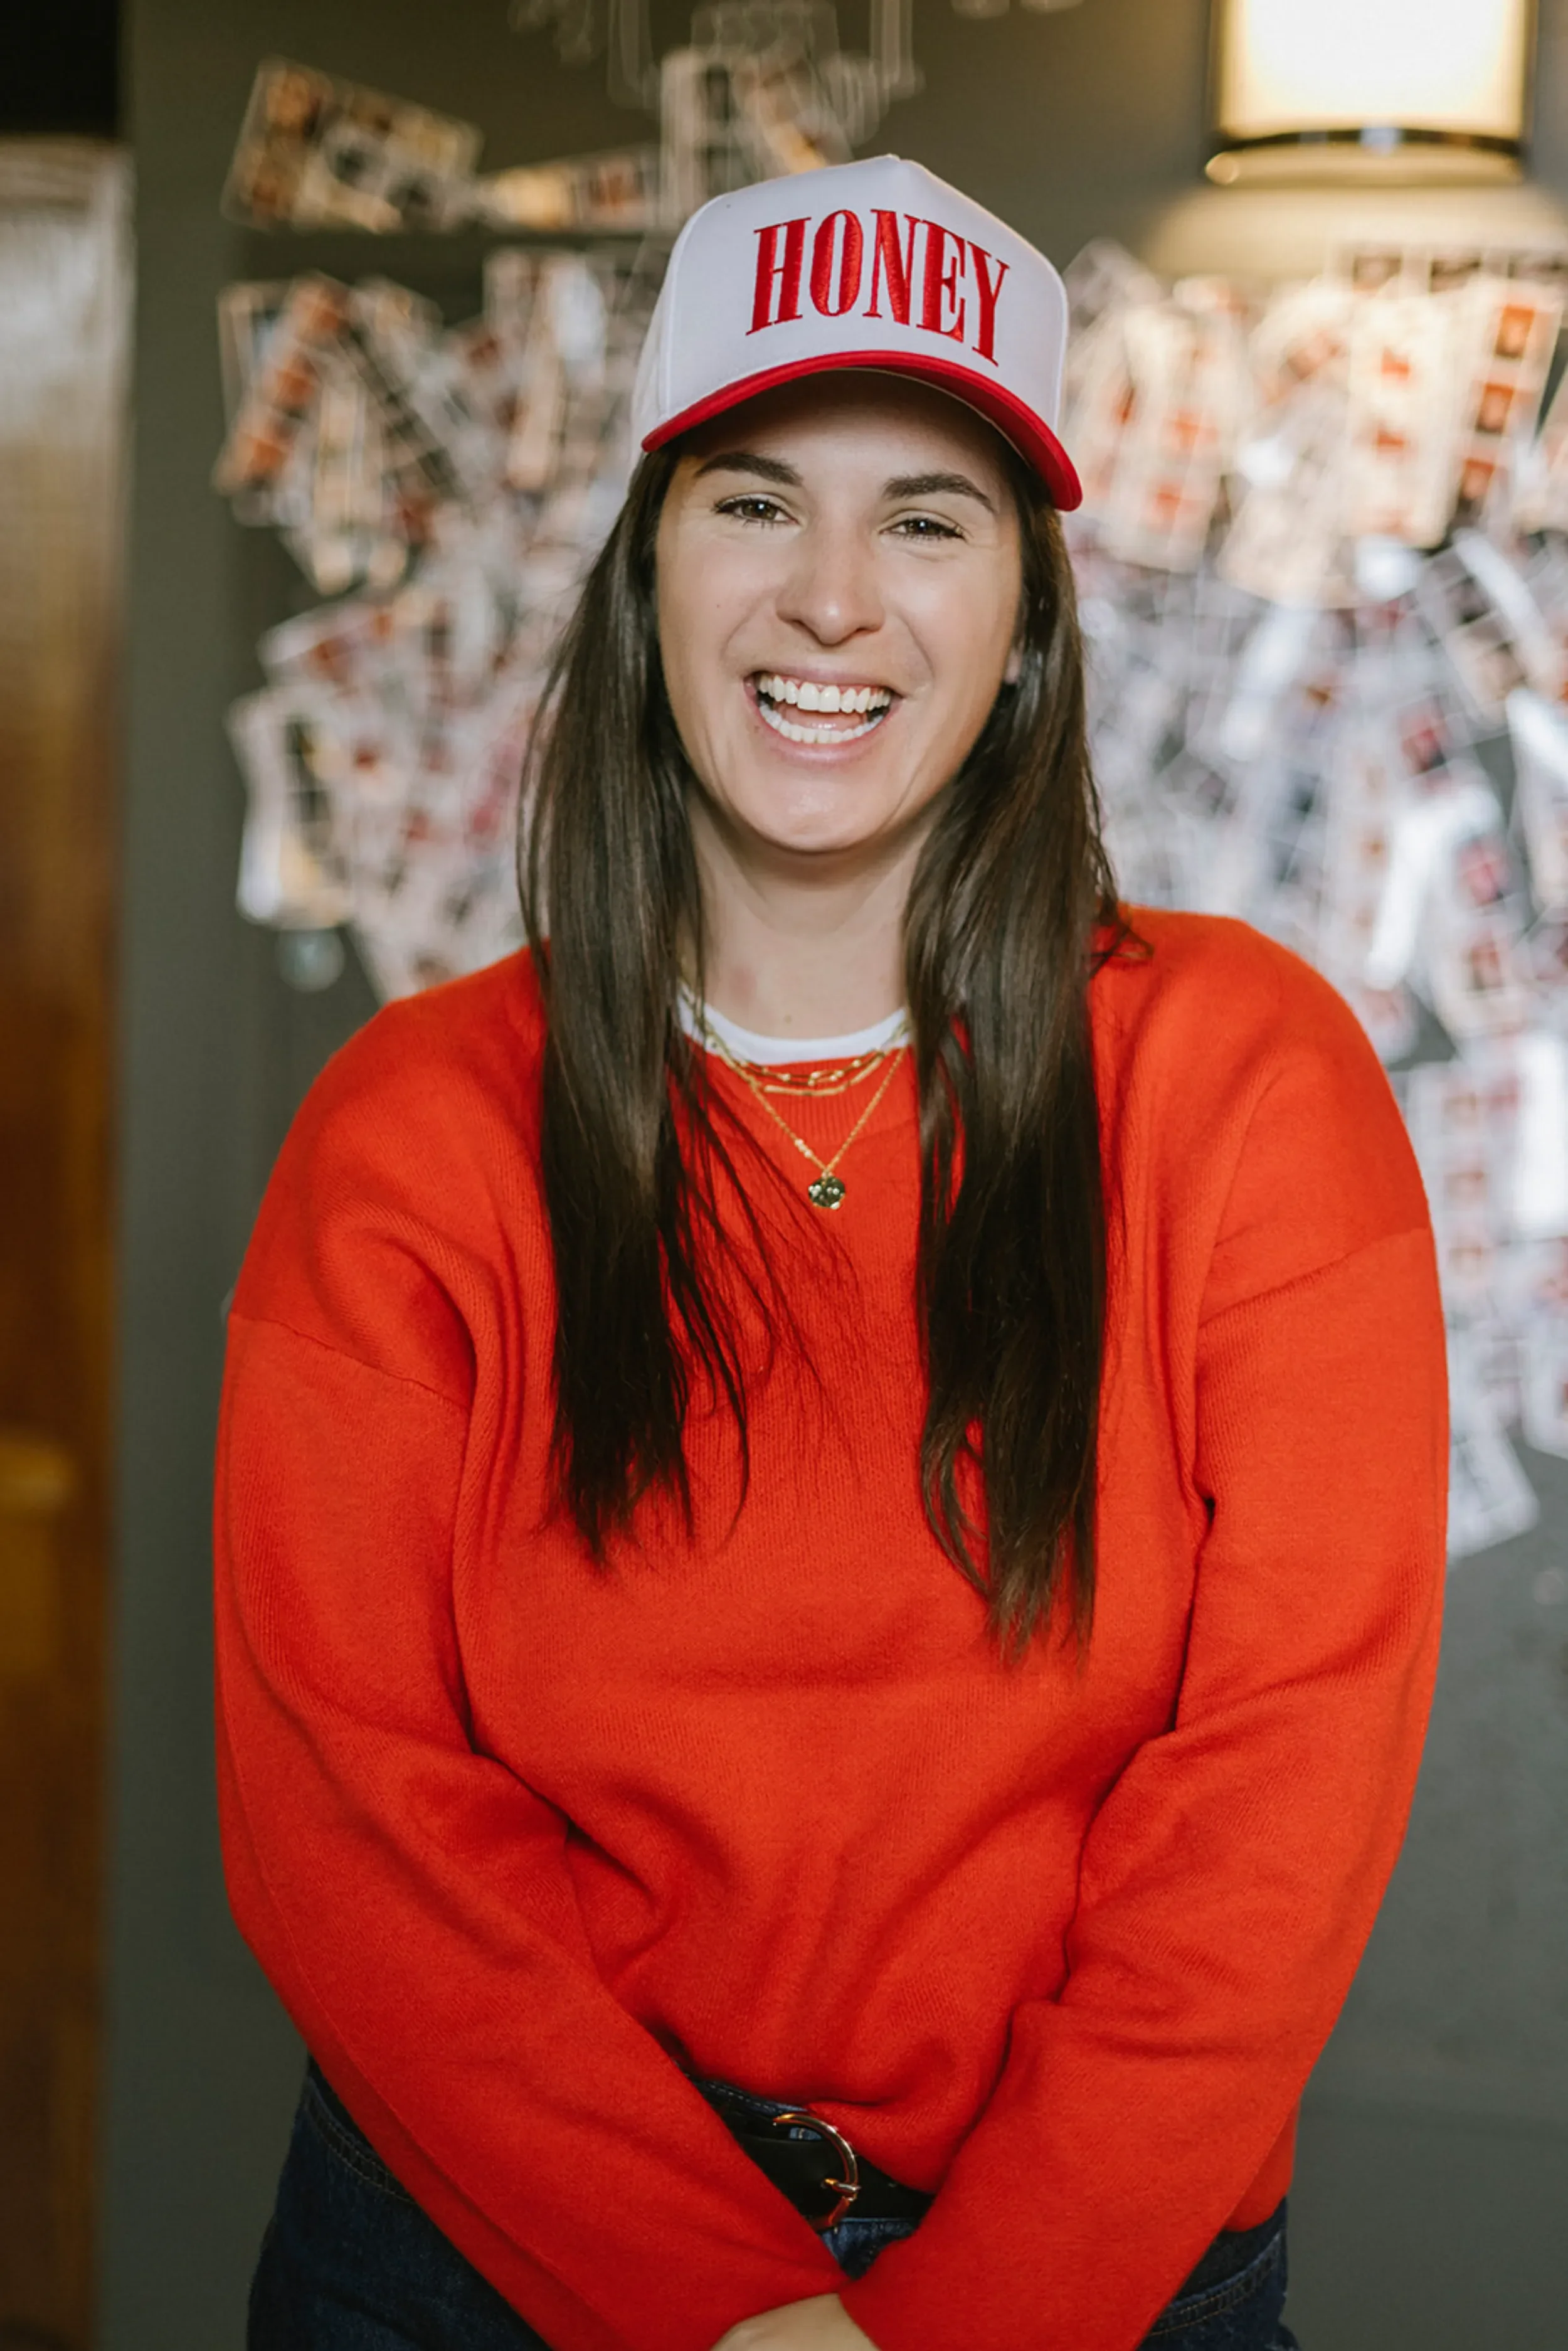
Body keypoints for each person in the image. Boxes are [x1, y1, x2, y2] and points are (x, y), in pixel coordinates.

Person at [216, 157, 1448, 2351]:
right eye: (758, 501)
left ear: (1028, 612)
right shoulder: (408, 1131)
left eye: (927, 519)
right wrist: (724, 2305)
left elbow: (1281, 1792)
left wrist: (969, 2319)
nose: (831, 600)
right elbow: (348, 1820)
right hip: (481, 2268)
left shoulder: (1247, 1079)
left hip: (1090, 2271)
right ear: (648, 568)